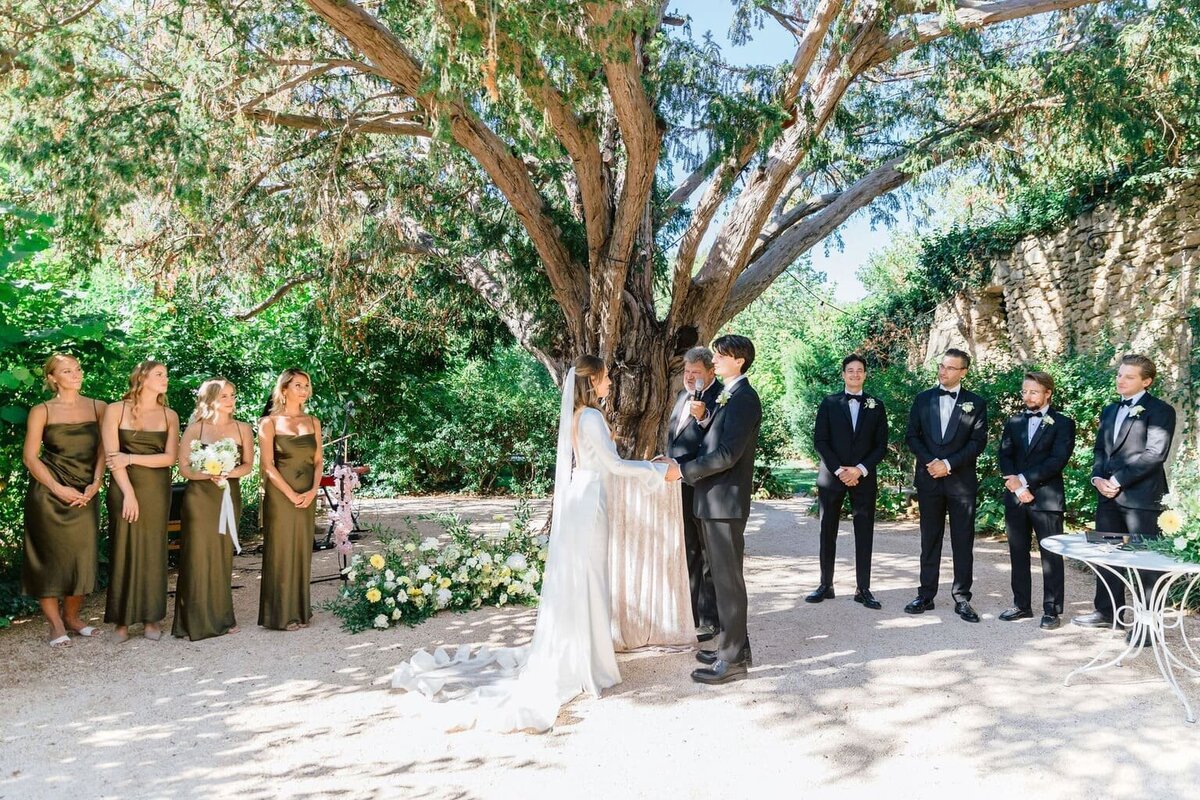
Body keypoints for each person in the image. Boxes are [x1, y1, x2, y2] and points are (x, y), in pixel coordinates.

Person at [391, 355, 669, 732]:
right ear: (592, 381)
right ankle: (589, 664)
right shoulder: (590, 417)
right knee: (590, 579)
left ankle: (587, 655)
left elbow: (604, 461)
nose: (609, 384)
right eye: (605, 379)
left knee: (586, 579)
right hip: (590, 504)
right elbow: (615, 466)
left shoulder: (580, 417)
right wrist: (658, 471)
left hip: (582, 496)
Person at [668, 334, 762, 685]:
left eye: (720, 356)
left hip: (724, 501)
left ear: (738, 360)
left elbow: (726, 455)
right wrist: (707, 417)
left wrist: (683, 470)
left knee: (728, 581)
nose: (716, 360)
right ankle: (734, 646)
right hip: (713, 498)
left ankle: (733, 659)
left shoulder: (744, 398)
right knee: (722, 581)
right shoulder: (728, 395)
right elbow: (717, 438)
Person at [1072, 354, 1176, 639]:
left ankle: (1148, 625)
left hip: (1141, 500)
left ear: (1147, 381)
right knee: (1106, 555)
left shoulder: (1160, 410)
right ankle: (1107, 612)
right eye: (1119, 374)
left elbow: (1155, 454)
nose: (1121, 380)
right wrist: (1097, 479)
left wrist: (1117, 480)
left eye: (1129, 376)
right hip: (1107, 496)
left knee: (1145, 562)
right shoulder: (1109, 410)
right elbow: (1100, 451)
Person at [22, 353, 106, 647]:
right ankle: (55, 624)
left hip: (85, 494)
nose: (75, 374)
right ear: (52, 378)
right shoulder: (41, 411)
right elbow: (30, 458)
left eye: (78, 368)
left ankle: (72, 617)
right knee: (48, 560)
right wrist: (58, 488)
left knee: (81, 559)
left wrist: (96, 483)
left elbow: (104, 451)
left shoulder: (99, 407)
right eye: (67, 371)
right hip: (48, 495)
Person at [903, 348, 988, 623]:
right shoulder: (923, 399)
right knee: (930, 539)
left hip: (961, 483)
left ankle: (962, 598)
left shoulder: (976, 403)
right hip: (929, 480)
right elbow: (912, 437)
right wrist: (932, 462)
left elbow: (978, 443)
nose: (943, 371)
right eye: (941, 366)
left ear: (963, 372)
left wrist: (948, 464)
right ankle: (925, 595)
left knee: (963, 541)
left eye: (951, 368)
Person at [172, 378, 255, 642]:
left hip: (228, 495)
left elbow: (248, 465)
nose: (230, 401)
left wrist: (228, 472)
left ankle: (222, 618)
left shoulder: (243, 428)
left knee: (221, 556)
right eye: (224, 396)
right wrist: (208, 473)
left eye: (232, 395)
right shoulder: (195, 429)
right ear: (211, 400)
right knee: (195, 555)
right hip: (199, 498)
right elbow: (183, 467)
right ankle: (192, 621)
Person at [102, 360, 179, 642]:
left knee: (153, 551)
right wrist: (129, 494)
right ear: (142, 377)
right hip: (124, 488)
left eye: (166, 375)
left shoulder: (169, 415)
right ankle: (121, 621)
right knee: (123, 549)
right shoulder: (115, 410)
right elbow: (112, 457)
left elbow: (170, 458)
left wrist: (132, 457)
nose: (165, 379)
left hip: (157, 490)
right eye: (159, 374)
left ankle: (151, 618)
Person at [807, 353, 888, 610]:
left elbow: (880, 445)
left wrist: (860, 470)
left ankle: (863, 588)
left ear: (865, 374)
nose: (855, 374)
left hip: (863, 478)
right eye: (850, 370)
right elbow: (820, 440)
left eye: (859, 370)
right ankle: (825, 584)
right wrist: (839, 469)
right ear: (843, 375)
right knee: (826, 530)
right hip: (832, 477)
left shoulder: (877, 405)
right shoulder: (829, 403)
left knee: (864, 532)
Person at [997, 371, 1076, 630]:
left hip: (1047, 498)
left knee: (1050, 555)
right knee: (1017, 552)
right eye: (1024, 391)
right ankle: (1021, 605)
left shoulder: (1063, 423)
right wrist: (1017, 487)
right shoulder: (1014, 421)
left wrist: (1023, 481)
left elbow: (1057, 460)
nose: (1027, 396)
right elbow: (1005, 455)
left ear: (1047, 393)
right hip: (1016, 498)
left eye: (1033, 391)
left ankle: (1052, 610)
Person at [258, 369, 322, 631]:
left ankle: (300, 611)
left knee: (301, 549)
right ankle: (280, 616)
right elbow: (267, 465)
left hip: (308, 492)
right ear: (283, 389)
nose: (304, 390)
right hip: (281, 494)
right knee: (281, 550)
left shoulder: (313, 421)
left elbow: (318, 461)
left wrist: (313, 490)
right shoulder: (269, 423)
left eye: (306, 385)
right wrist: (291, 494)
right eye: (298, 385)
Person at [665, 346, 722, 639]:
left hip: (707, 486)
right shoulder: (680, 396)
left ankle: (711, 619)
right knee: (688, 550)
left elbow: (719, 443)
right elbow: (675, 439)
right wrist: (667, 460)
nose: (689, 378)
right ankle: (691, 615)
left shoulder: (722, 398)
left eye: (695, 373)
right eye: (686, 372)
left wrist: (703, 417)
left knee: (709, 553)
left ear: (711, 372)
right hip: (681, 484)